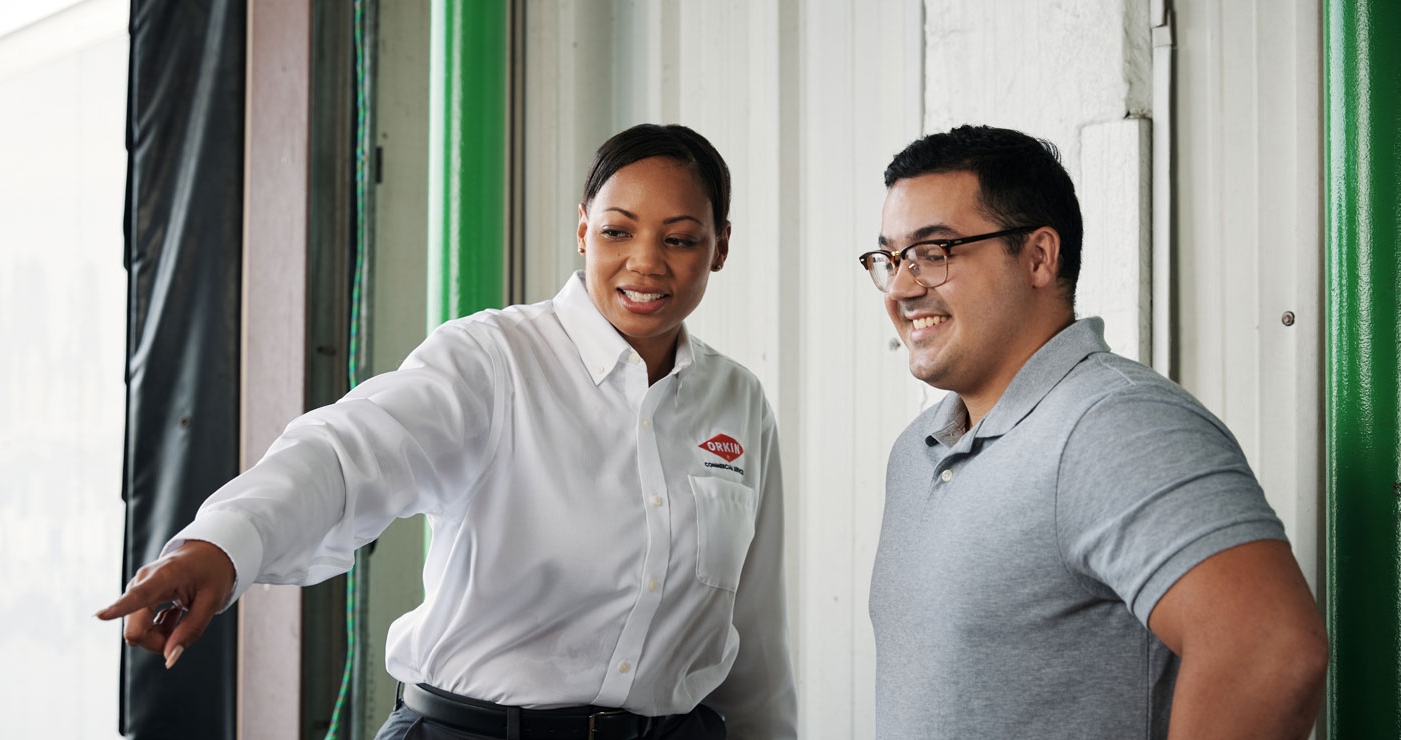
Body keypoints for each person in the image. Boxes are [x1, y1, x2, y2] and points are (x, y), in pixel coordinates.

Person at [98, 123, 796, 740]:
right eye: (618, 231)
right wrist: (222, 545)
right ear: (583, 230)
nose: (646, 262)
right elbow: (346, 453)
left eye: (679, 239)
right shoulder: (494, 360)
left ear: (720, 246)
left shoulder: (736, 401)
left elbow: (753, 633)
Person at [861, 125, 1328, 738]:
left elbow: (1271, 650)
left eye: (934, 252)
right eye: (890, 258)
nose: (899, 286)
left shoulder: (1112, 424)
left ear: (1038, 257)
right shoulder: (917, 450)